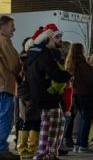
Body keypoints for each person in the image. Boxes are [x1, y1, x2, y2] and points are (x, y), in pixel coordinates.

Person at [26, 24, 71, 159]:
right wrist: (68, 75)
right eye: (53, 38)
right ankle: (45, 154)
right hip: (47, 95)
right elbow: (55, 73)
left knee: (53, 124)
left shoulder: (33, 54)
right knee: (52, 125)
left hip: (41, 95)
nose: (56, 40)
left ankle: (49, 153)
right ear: (46, 40)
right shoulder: (44, 54)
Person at [64, 43, 93, 153]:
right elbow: (91, 80)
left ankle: (79, 144)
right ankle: (83, 144)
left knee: (83, 119)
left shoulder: (70, 63)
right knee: (87, 119)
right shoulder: (83, 65)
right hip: (86, 94)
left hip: (76, 94)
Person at [16, 36, 41, 159]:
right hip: (27, 94)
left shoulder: (29, 60)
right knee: (27, 120)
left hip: (31, 93)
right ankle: (24, 149)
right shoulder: (24, 61)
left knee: (34, 121)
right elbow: (21, 79)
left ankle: (31, 148)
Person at [0, 16, 21, 160]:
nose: (14, 28)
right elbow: (14, 64)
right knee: (5, 119)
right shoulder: (4, 40)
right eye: (12, 25)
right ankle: (1, 149)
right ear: (4, 26)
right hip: (5, 85)